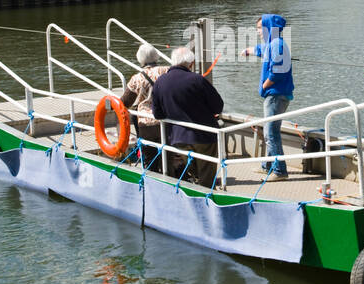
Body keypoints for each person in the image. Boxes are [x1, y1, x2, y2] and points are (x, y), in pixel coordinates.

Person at [150, 47, 224, 186]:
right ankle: (206, 200)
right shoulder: (197, 80)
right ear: (191, 63)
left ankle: (195, 191)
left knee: (193, 168)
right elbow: (218, 106)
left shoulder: (160, 82)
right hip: (204, 136)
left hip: (178, 137)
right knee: (206, 172)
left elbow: (157, 113)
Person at [241, 13, 294, 178]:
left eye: (259, 28)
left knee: (271, 133)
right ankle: (267, 166)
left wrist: (264, 86)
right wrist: (249, 51)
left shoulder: (277, 45)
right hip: (274, 95)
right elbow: (261, 49)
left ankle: (280, 171)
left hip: (276, 96)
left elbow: (277, 73)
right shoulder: (273, 43)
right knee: (270, 132)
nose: (257, 32)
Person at [120, 43, 169, 171]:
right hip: (167, 120)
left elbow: (125, 102)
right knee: (168, 156)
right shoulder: (167, 71)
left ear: (140, 59)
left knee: (150, 158)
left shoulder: (137, 78)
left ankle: (151, 183)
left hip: (146, 123)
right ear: (156, 56)